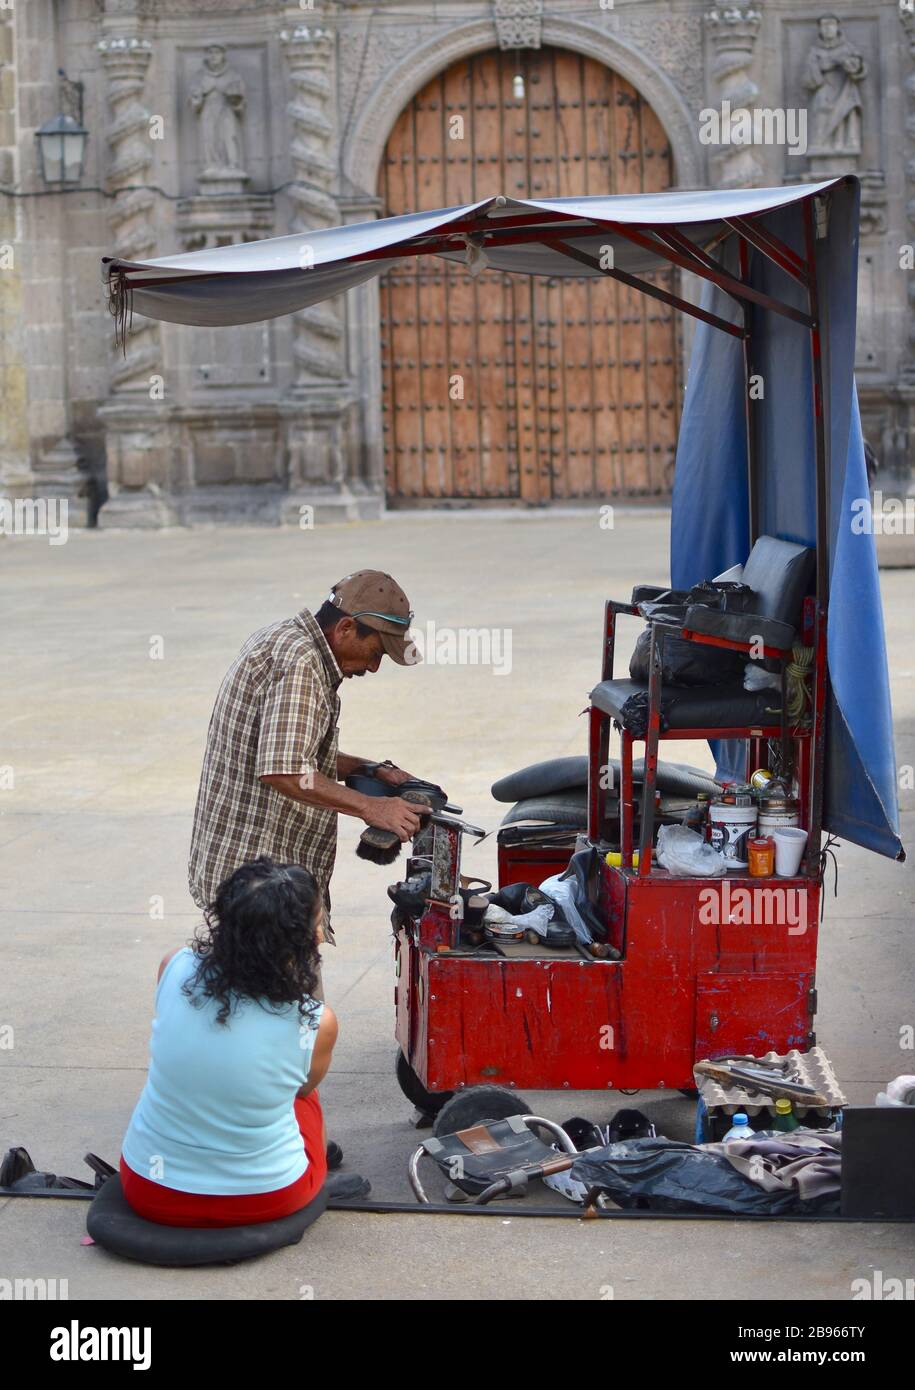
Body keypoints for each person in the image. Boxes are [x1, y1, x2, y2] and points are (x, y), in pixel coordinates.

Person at [120, 858, 366, 1227]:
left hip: (147, 1187)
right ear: (306, 939)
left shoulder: (173, 965)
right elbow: (299, 1091)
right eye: (317, 922)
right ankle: (311, 1166)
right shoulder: (315, 1022)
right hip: (263, 1198)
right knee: (301, 1094)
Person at [188, 570, 425, 940]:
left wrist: (366, 768)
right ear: (346, 628)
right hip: (259, 891)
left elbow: (287, 748)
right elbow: (283, 770)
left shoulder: (287, 639)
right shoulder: (301, 664)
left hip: (257, 881)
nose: (375, 667)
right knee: (288, 999)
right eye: (376, 653)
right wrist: (371, 807)